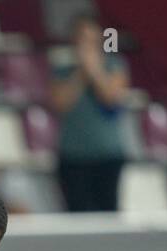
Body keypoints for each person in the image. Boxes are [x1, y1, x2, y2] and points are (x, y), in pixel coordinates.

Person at [50, 13, 129, 212]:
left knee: (108, 211)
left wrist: (93, 70)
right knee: (77, 213)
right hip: (73, 156)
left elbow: (111, 97)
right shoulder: (62, 70)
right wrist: (80, 74)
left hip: (108, 155)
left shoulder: (114, 66)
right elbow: (60, 104)